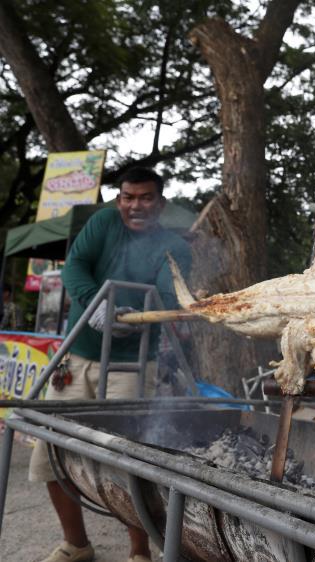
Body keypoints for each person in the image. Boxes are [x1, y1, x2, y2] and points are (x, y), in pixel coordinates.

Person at [28, 167, 192, 562]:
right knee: (49, 456)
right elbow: (75, 266)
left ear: (160, 202)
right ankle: (77, 545)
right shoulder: (104, 221)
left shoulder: (174, 247)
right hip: (76, 357)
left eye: (145, 198)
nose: (135, 206)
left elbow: (171, 300)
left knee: (126, 464)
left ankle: (139, 552)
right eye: (128, 197)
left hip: (132, 365)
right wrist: (97, 304)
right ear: (119, 199)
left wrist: (146, 310)